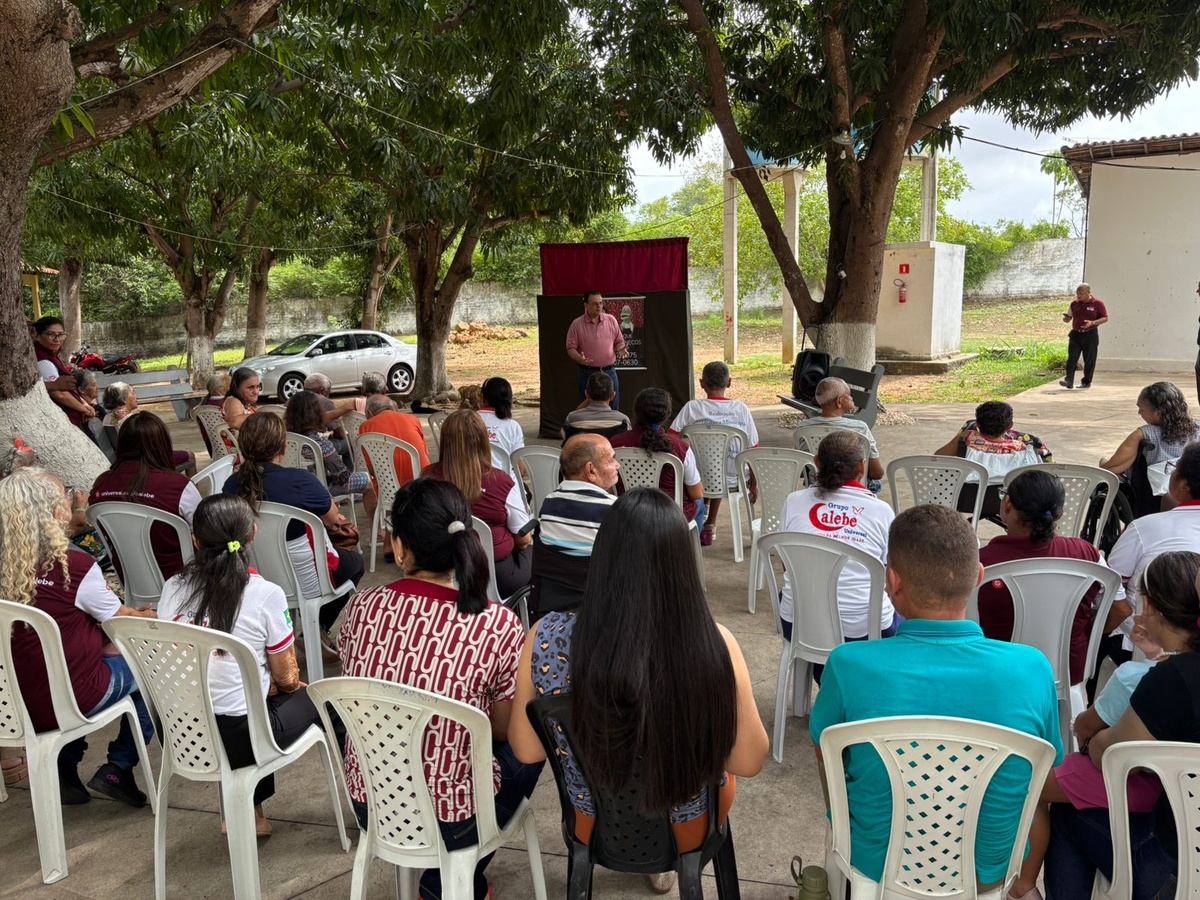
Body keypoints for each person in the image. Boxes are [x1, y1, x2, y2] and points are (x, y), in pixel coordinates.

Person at [508, 488, 769, 895]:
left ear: (603, 557)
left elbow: (525, 751)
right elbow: (749, 760)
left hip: (590, 820)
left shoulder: (544, 638)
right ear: (681, 562)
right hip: (686, 829)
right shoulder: (715, 644)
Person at [810, 504, 1063, 891]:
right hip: (988, 872)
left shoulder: (848, 665)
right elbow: (1044, 774)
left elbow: (825, 752)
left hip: (875, 863)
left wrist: (838, 814)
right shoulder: (1032, 668)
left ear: (893, 580)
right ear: (978, 577)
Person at [338, 477, 541, 900]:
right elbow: (505, 733)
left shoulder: (360, 607)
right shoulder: (496, 624)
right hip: (456, 818)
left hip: (373, 804)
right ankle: (444, 882)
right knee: (534, 740)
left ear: (400, 547)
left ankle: (442, 880)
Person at [1014, 550, 1199, 900]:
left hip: (1169, 869)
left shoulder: (1171, 682)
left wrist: (1093, 742)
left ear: (1152, 608)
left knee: (1069, 810)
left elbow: (1109, 753)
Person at [158, 493, 316, 837]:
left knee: (242, 702)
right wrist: (270, 682)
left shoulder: (172, 588)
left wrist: (258, 682)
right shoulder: (265, 594)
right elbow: (287, 678)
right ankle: (373, 809)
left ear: (195, 540)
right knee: (327, 704)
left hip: (181, 733)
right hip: (241, 736)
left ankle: (247, 813)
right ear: (253, 535)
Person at [0, 467, 158, 807]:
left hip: (16, 703)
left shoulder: (7, 565)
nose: (71, 501)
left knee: (93, 662)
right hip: (72, 697)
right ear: (53, 511)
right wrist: (148, 616)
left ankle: (65, 769)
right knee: (154, 670)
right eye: (66, 496)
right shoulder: (73, 565)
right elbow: (118, 618)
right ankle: (118, 768)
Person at [223, 412, 364, 652]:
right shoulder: (300, 480)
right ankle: (317, 625)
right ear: (284, 446)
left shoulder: (231, 485)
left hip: (255, 576)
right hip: (309, 582)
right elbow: (332, 519)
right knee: (355, 563)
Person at [978, 469, 1129, 688]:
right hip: (1067, 671)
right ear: (1060, 514)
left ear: (1008, 505)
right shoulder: (1086, 554)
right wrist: (1085, 634)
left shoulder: (982, 562)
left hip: (996, 672)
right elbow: (1121, 609)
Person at [778, 431, 897, 664]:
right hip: (865, 631)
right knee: (905, 624)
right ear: (862, 467)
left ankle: (828, 680)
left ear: (816, 462)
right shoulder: (881, 512)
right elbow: (886, 579)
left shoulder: (793, 501)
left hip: (799, 624)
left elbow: (787, 564)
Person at [424, 410, 533, 597]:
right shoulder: (501, 482)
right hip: (496, 577)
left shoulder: (427, 477)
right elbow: (522, 538)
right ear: (484, 441)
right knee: (536, 550)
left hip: (443, 572)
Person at [90, 411, 203, 579]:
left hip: (129, 578)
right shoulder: (178, 486)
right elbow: (205, 531)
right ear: (163, 444)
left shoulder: (101, 484)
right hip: (182, 577)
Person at [669, 361, 760, 546]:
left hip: (697, 478)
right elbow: (753, 451)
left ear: (702, 383)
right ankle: (710, 522)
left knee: (707, 462)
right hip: (734, 480)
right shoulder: (741, 409)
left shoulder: (691, 408)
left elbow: (670, 439)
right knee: (721, 463)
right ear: (729, 383)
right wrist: (754, 484)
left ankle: (704, 515)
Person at [530, 435, 620, 617]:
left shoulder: (549, 504)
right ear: (591, 470)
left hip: (551, 614)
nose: (618, 465)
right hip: (601, 615)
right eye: (611, 459)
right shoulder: (615, 509)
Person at [934, 400, 1052, 520]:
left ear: (978, 424)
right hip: (1009, 504)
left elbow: (938, 457)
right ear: (1010, 426)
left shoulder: (966, 438)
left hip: (966, 500)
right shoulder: (1021, 447)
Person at [610, 387, 705, 525]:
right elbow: (696, 493)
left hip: (628, 511)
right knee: (700, 503)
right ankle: (687, 544)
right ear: (666, 414)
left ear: (636, 412)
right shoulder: (681, 447)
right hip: (670, 516)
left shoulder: (615, 443)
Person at [1098, 382, 1199, 507]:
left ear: (1158, 413)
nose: (1139, 412)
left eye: (1142, 409)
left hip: (1151, 499)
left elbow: (1113, 468)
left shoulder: (1145, 434)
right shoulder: (1198, 428)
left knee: (1106, 484)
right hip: (1192, 495)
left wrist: (1103, 461)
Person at [358, 394, 431, 537]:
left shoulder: (366, 426)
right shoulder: (413, 419)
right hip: (422, 482)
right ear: (394, 408)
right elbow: (425, 453)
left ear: (369, 413)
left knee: (381, 481)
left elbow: (372, 469)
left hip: (391, 490)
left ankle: (385, 536)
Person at [795, 376, 885, 489]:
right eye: (849, 395)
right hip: (852, 487)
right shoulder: (859, 428)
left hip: (818, 485)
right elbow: (877, 473)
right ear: (839, 401)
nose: (852, 398)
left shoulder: (803, 428)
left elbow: (803, 470)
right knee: (876, 485)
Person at [284, 390, 372, 500]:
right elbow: (343, 478)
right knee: (369, 481)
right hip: (319, 489)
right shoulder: (320, 443)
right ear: (317, 413)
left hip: (293, 489)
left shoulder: (283, 438)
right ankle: (372, 516)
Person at [102, 390, 197, 475]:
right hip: (148, 460)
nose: (136, 396)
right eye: (132, 393)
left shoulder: (107, 418)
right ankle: (193, 491)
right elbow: (155, 446)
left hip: (127, 461)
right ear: (124, 399)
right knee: (190, 456)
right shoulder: (133, 421)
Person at [565, 290, 629, 410]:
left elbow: (619, 340)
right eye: (595, 303)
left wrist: (621, 348)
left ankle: (612, 428)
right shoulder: (577, 324)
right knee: (587, 407)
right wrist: (578, 357)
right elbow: (570, 348)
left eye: (600, 303)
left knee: (613, 406)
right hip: (587, 372)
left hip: (609, 371)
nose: (599, 306)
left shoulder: (611, 320)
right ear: (586, 305)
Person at [31, 316, 96, 427]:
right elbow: (60, 394)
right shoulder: (43, 360)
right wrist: (83, 410)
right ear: (38, 335)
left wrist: (83, 402)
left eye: (61, 335)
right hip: (65, 419)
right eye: (51, 334)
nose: (57, 339)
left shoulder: (51, 354)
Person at [1059, 283, 1108, 390]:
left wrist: (1093, 322)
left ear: (1089, 293)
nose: (1079, 296)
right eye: (1078, 294)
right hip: (1076, 334)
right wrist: (1066, 319)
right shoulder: (1074, 304)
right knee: (1072, 358)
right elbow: (1069, 317)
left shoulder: (1097, 304)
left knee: (1089, 359)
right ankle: (1069, 380)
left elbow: (1105, 318)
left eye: (1082, 294)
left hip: (1090, 334)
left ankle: (1086, 381)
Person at [561, 371, 630, 440]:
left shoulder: (572, 418)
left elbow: (564, 436)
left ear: (586, 394)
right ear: (612, 395)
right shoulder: (623, 420)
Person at [478, 376, 525, 478]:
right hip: (505, 488)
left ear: (482, 398)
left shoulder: (467, 421)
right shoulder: (513, 426)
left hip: (472, 485)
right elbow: (520, 469)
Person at [304, 372, 353, 468]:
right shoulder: (323, 401)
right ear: (322, 390)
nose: (328, 395)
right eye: (328, 391)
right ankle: (349, 475)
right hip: (315, 448)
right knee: (349, 442)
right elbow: (340, 434)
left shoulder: (291, 401)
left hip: (295, 446)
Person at [222, 367, 261, 433]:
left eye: (257, 387)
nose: (256, 392)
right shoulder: (234, 401)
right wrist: (263, 418)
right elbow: (234, 422)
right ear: (237, 387)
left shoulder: (246, 403)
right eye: (251, 387)